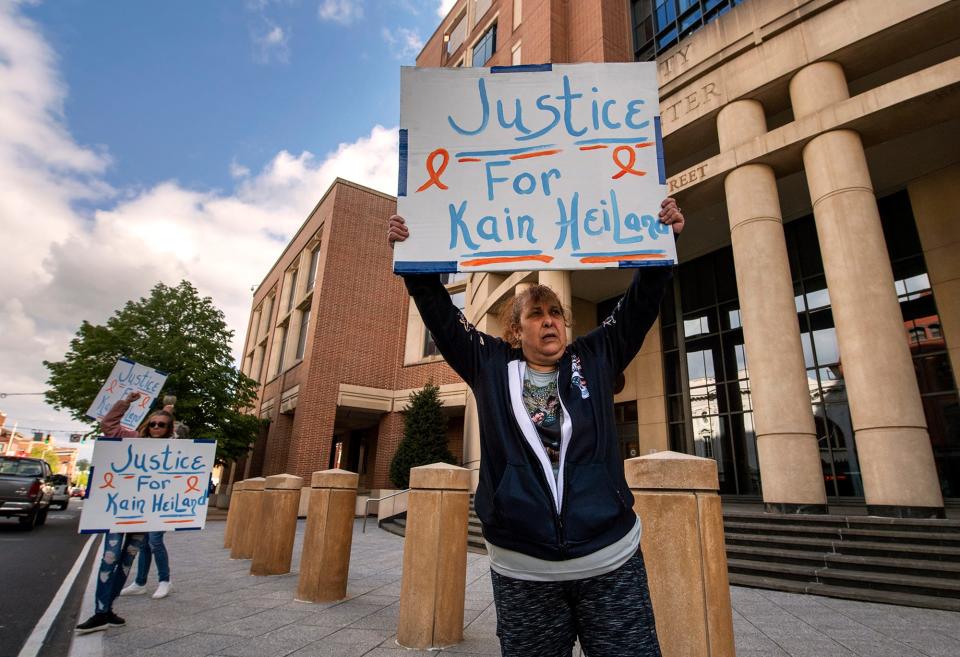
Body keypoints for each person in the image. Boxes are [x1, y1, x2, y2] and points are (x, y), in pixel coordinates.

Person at [388, 197, 684, 657]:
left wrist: (663, 243)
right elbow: (441, 317)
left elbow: (640, 304)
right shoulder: (488, 363)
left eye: (556, 314)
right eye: (536, 315)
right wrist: (416, 260)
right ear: (516, 331)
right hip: (523, 569)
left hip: (609, 558)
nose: (549, 321)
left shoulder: (597, 355)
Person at [75, 392, 176, 634]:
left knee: (126, 561)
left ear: (168, 428)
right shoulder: (130, 438)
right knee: (109, 558)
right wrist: (125, 403)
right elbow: (108, 425)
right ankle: (99, 612)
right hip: (118, 511)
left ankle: (107, 609)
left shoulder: (173, 451)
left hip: (146, 514)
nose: (155, 427)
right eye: (152, 424)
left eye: (161, 425)